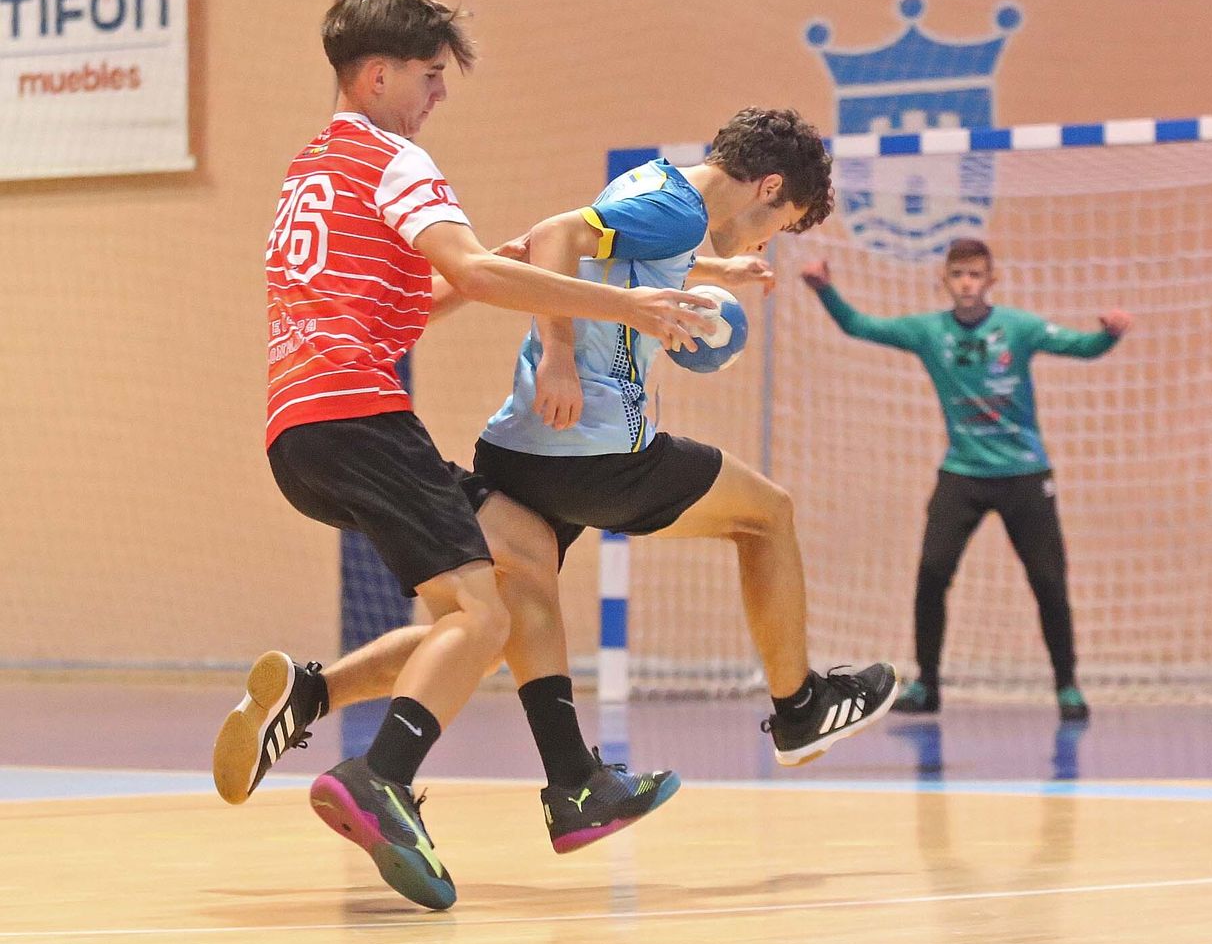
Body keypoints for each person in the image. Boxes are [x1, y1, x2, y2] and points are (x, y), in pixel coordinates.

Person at [230, 108, 899, 786]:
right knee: (768, 514)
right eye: (775, 227)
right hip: (596, 453)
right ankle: (802, 707)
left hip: (521, 445)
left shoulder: (658, 188)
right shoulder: (681, 209)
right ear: (768, 186)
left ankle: (313, 694)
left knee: (490, 629)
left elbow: (619, 247)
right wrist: (558, 354)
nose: (762, 244)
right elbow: (559, 234)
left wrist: (712, 269)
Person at [244, 0, 713, 911]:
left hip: (299, 428)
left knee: (521, 556)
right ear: (377, 77)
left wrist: (515, 256)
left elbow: (421, 300)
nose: (440, 93)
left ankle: (574, 783)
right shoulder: (396, 160)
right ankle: (378, 777)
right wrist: (625, 304)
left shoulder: (314, 166)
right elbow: (471, 274)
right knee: (476, 618)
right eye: (428, 73)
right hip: (360, 416)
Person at [800, 239, 1132, 721]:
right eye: (958, 275)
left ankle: (1067, 686)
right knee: (932, 574)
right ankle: (927, 685)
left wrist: (1109, 336)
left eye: (975, 275)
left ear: (990, 281)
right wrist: (825, 290)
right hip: (963, 473)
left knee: (1048, 581)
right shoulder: (929, 331)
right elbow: (860, 326)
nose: (966, 284)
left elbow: (1080, 346)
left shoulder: (1017, 327)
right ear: (945, 281)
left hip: (1025, 474)